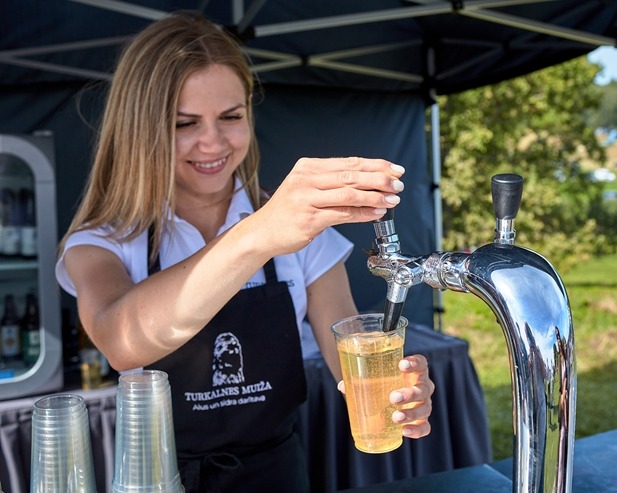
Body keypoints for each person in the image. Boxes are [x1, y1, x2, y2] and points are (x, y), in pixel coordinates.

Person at [55, 12, 434, 493]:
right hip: (158, 478)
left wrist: (399, 392)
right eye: (184, 123)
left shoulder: (298, 231)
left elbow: (352, 353)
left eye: (231, 117)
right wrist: (260, 233)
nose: (212, 142)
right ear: (141, 128)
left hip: (276, 475)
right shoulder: (103, 240)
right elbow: (122, 338)